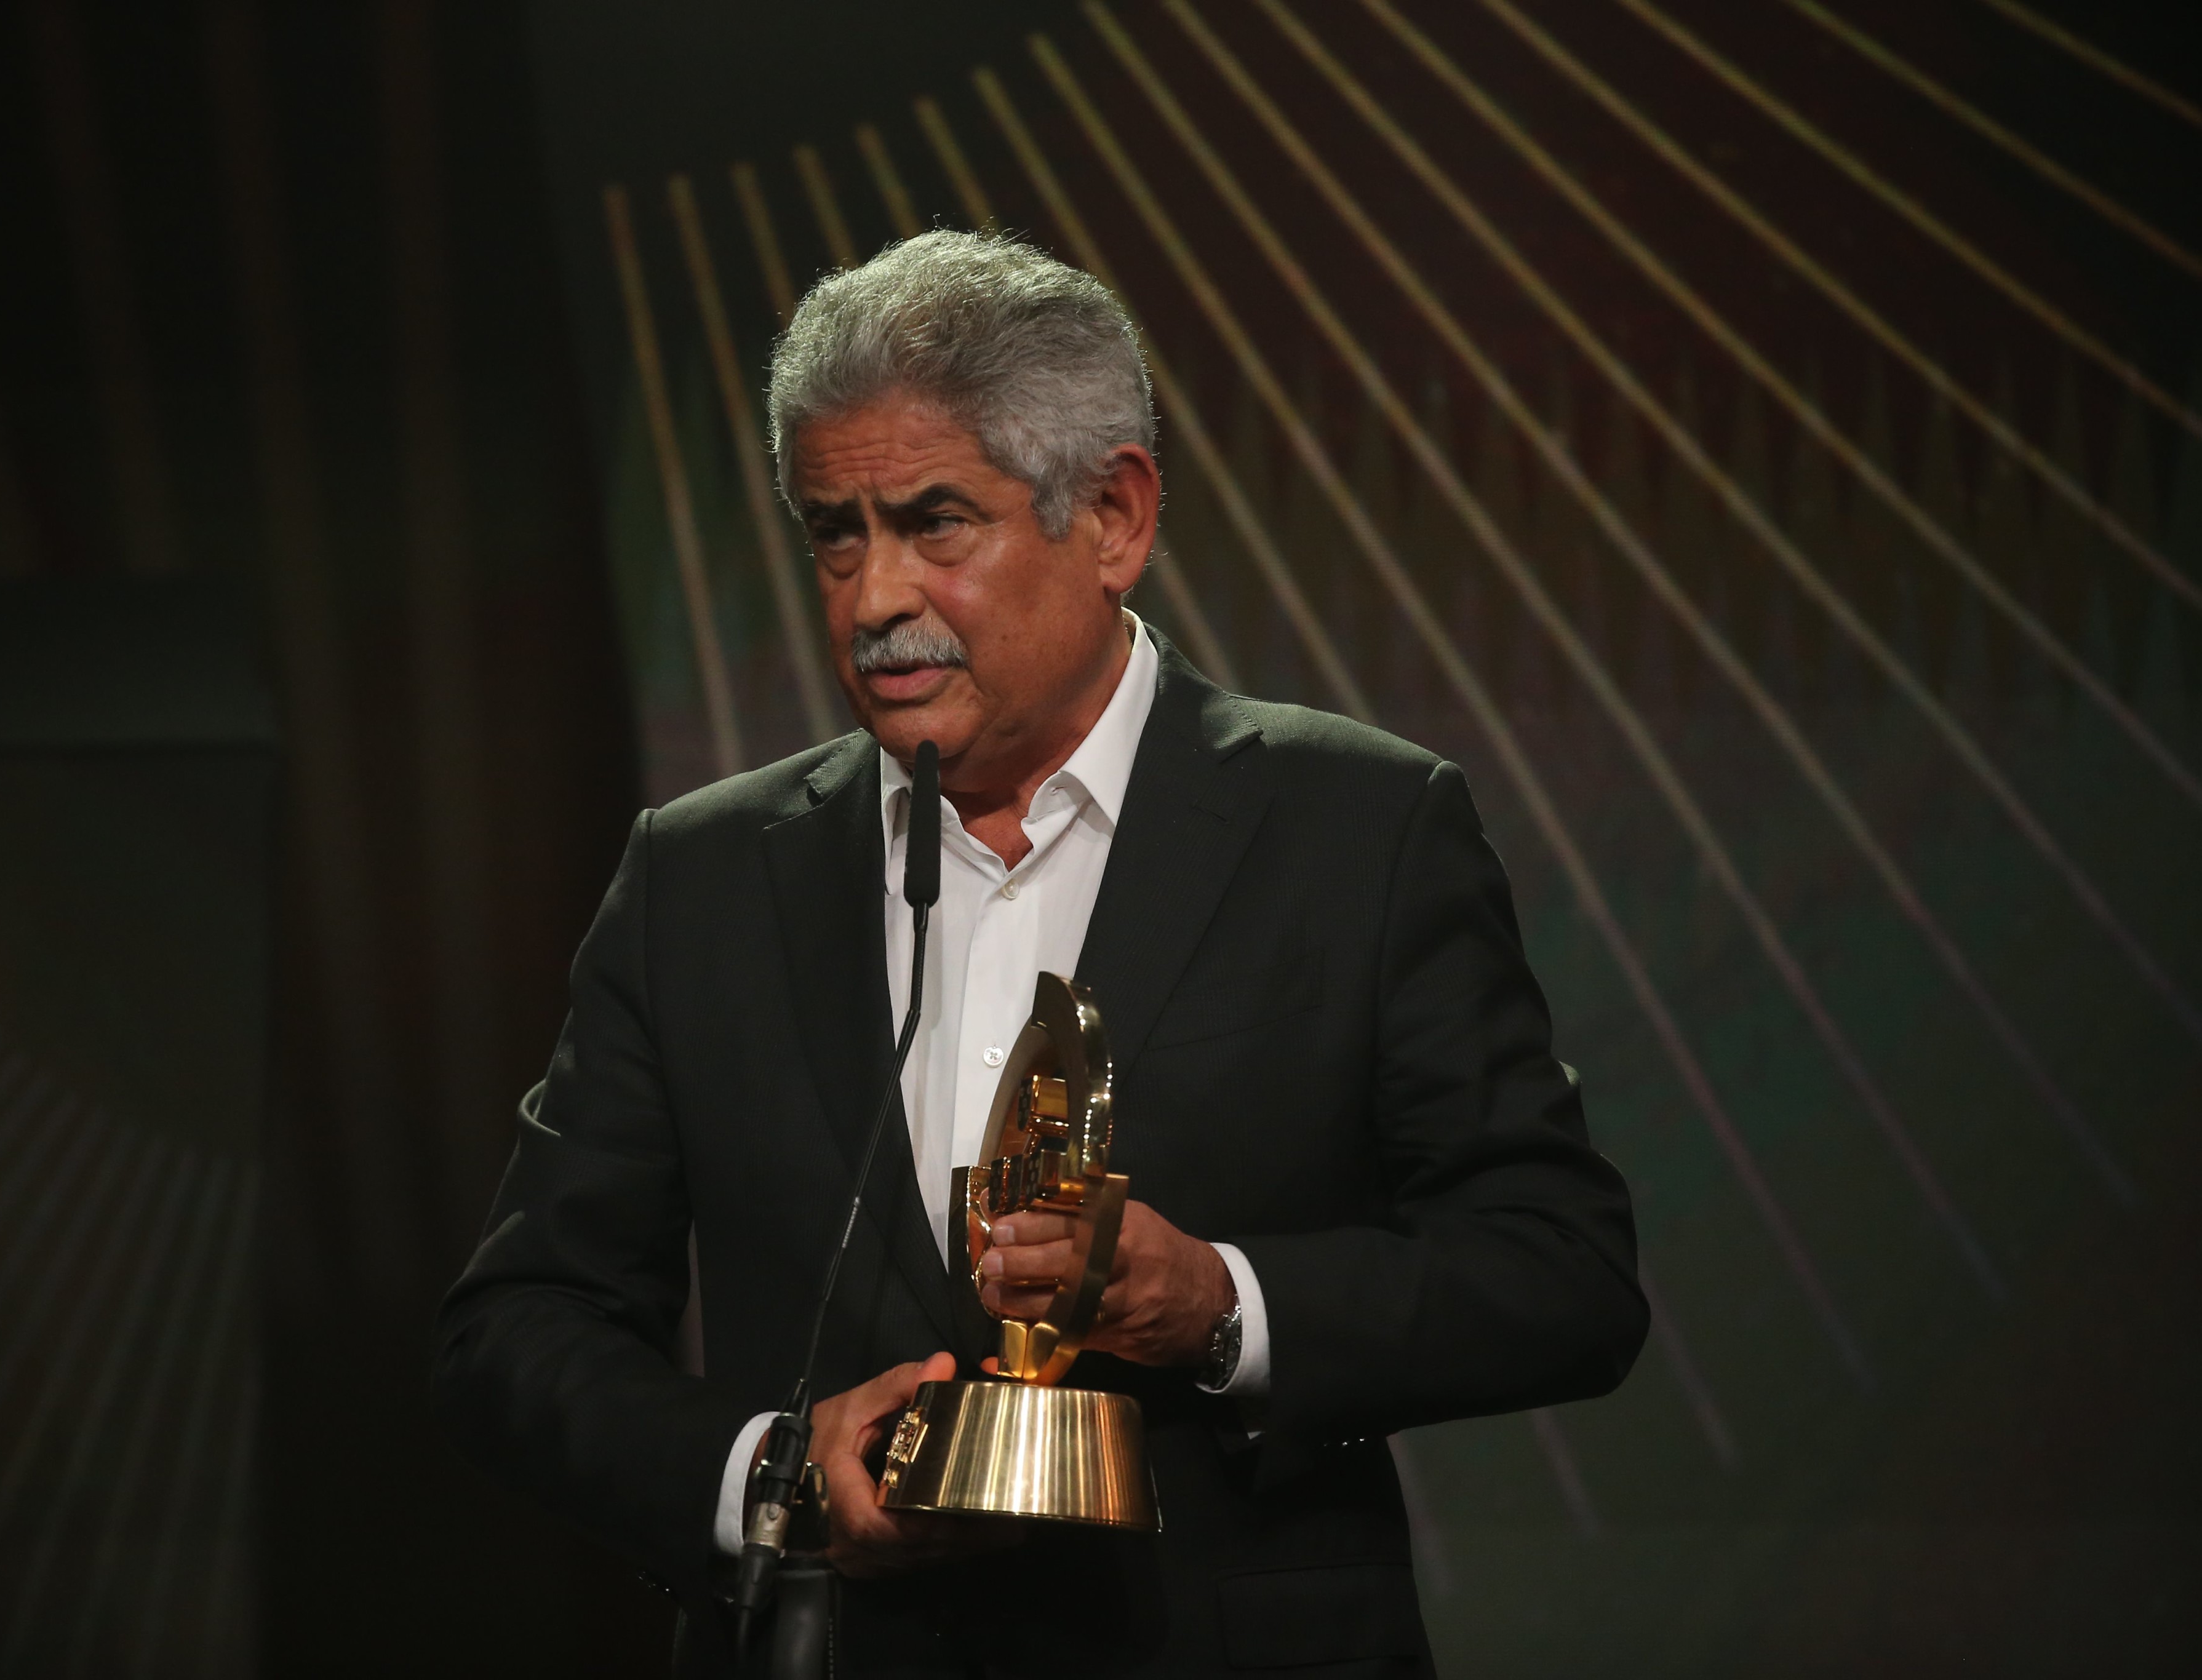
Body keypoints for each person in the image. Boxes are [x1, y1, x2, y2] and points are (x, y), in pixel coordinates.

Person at [437, 231, 1646, 1676]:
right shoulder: (700, 877)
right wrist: (772, 1476)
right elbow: (520, 1327)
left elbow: (1558, 1274)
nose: (872, 599)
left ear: (1114, 515)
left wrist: (1221, 1304)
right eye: (835, 533)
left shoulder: (1360, 830)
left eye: (933, 522)